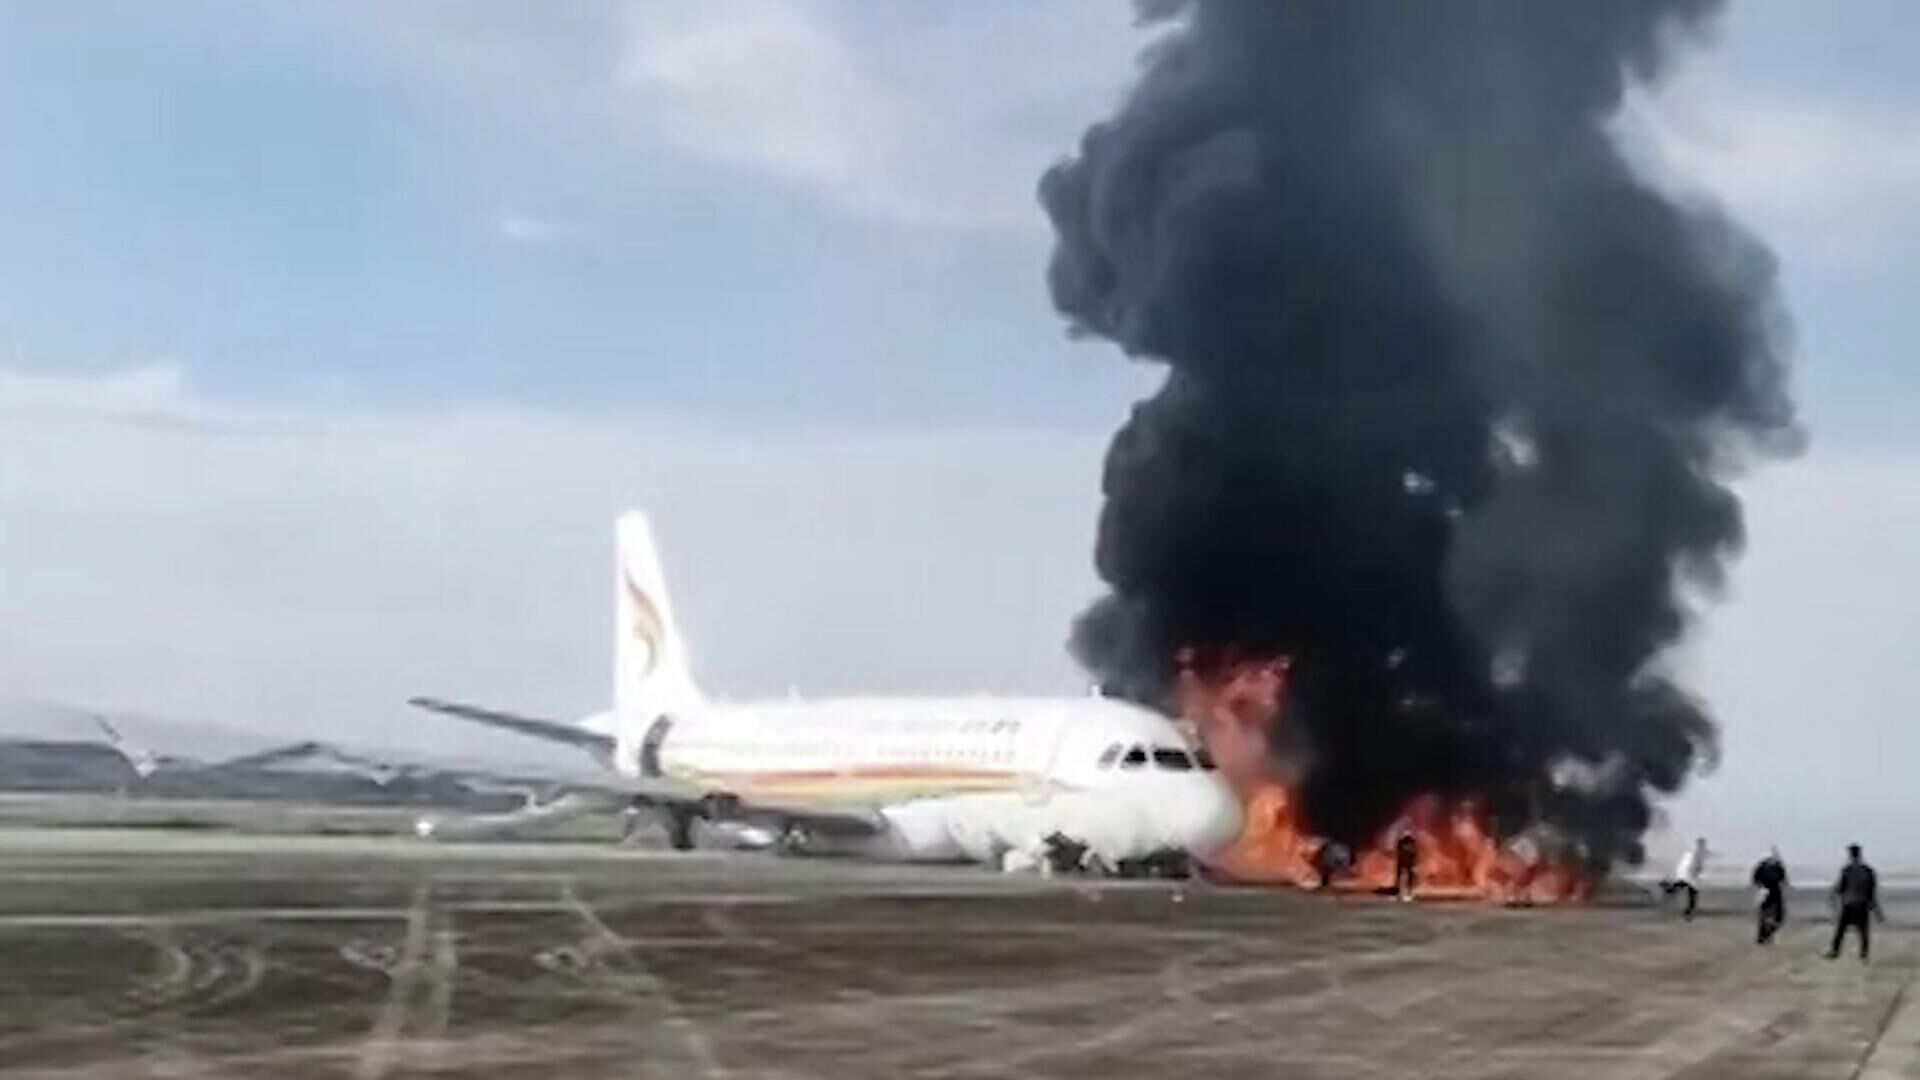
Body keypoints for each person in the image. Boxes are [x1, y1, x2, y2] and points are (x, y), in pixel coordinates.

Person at [1827, 843, 1883, 961]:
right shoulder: (1868, 870)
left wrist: (1833, 896)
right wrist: (1876, 910)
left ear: (1850, 855)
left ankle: (1835, 952)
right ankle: (1864, 954)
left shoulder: (1847, 870)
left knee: (1840, 930)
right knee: (1863, 931)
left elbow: (1840, 887)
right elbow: (1872, 892)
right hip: (1862, 904)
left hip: (1849, 903)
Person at [1662, 837, 1709, 920]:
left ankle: (1667, 888)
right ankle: (1688, 911)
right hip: (1688, 874)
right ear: (1699, 844)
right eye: (1703, 844)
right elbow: (1693, 865)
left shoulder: (1694, 852)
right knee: (1692, 892)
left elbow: (1693, 863)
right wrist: (1695, 872)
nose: (1704, 845)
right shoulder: (1695, 853)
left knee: (1684, 888)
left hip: (1687, 874)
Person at [1751, 848, 1788, 944]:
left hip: (1766, 889)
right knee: (1777, 916)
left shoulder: (1764, 865)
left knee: (1766, 915)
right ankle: (1765, 935)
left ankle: (1763, 935)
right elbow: (1784, 880)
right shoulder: (1776, 865)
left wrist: (1759, 887)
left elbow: (1755, 878)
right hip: (1773, 890)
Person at [1394, 833, 1419, 902]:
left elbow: (1414, 856)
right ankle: (1401, 894)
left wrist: (1414, 865)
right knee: (1402, 880)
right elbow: (1400, 855)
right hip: (1403, 865)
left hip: (1408, 865)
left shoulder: (1411, 848)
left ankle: (1408, 893)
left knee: (1408, 880)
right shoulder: (1402, 848)